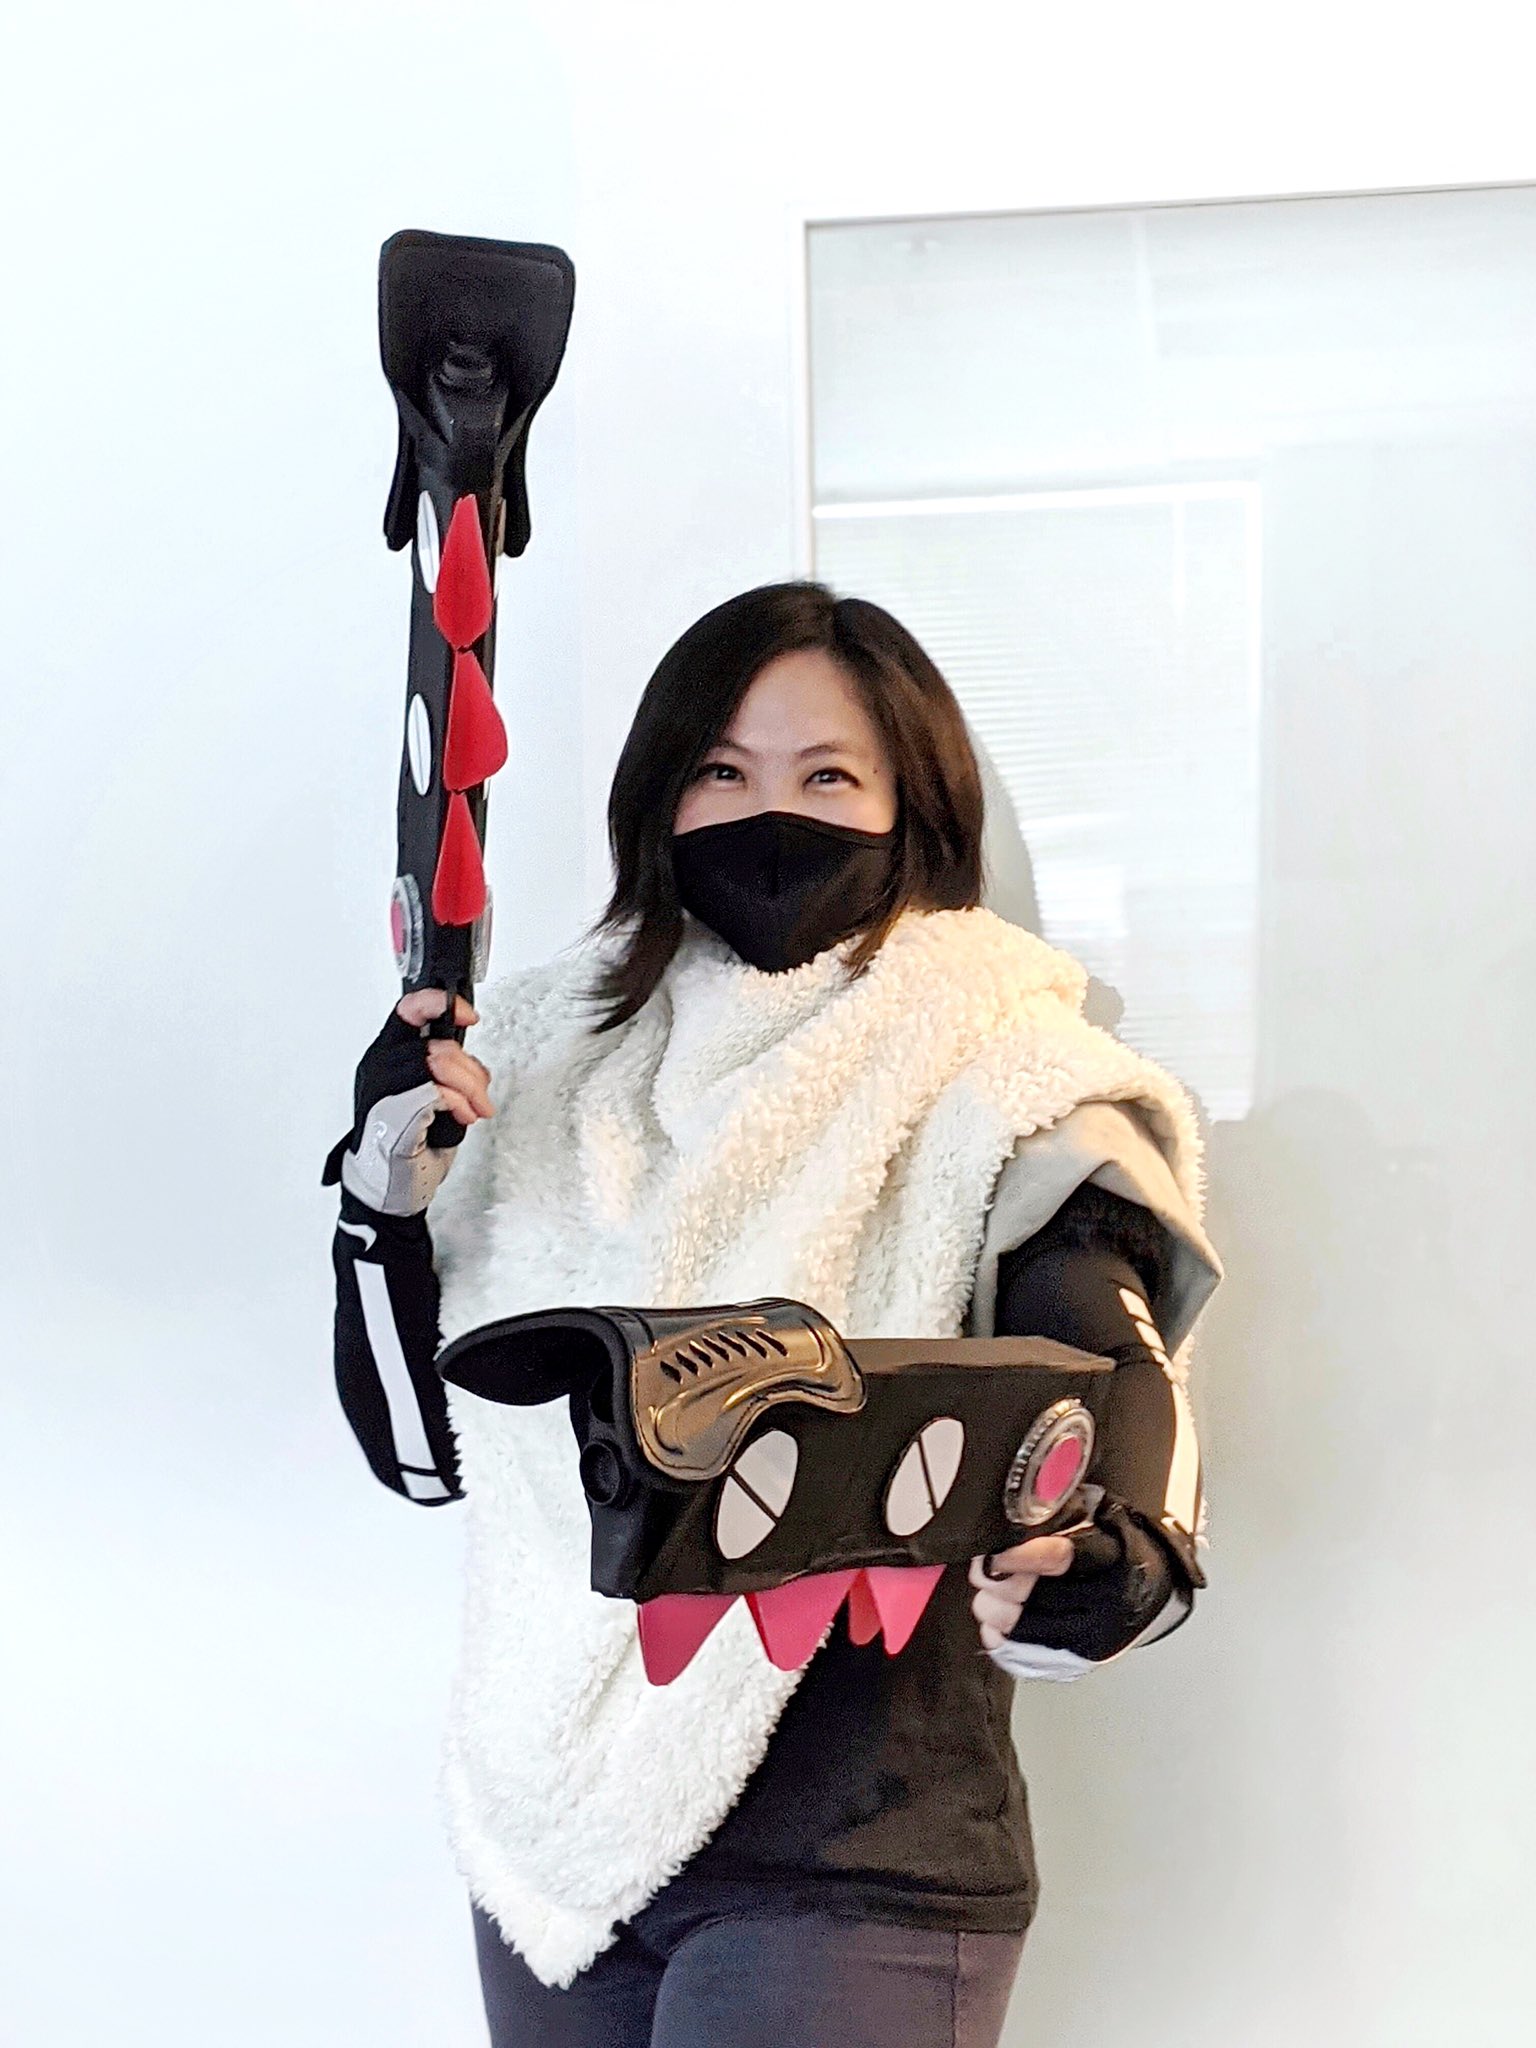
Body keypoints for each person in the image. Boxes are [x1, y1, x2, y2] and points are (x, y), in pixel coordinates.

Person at [326, 582, 1222, 2048]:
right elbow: (431, 1450)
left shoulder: (999, 1067)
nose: (770, 815)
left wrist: (1113, 1554)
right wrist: (383, 1204)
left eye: (828, 777)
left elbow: (1104, 1357)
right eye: (722, 772)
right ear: (659, 798)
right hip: (550, 1840)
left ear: (912, 804)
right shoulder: (540, 1064)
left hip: (859, 1849)